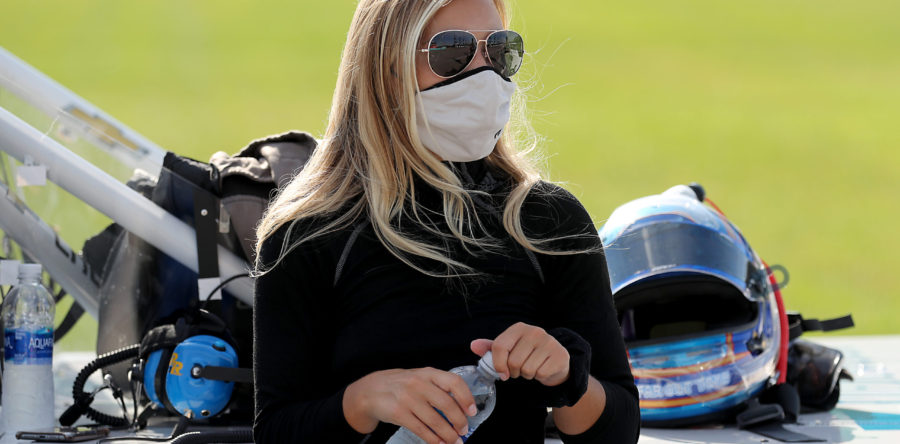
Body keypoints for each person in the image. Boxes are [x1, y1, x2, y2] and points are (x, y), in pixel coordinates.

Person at [252, 0, 640, 443]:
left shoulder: (548, 221)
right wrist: (362, 402)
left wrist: (568, 378)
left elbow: (621, 429)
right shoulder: (308, 234)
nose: (484, 74)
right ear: (387, 67)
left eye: (500, 51)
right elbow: (276, 432)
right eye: (452, 52)